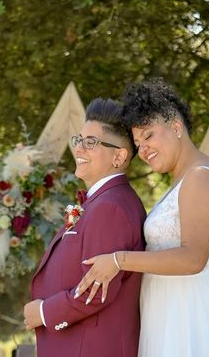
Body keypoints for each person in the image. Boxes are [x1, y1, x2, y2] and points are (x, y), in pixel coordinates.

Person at [74, 79, 209, 356]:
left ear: (176, 127)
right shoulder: (184, 178)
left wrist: (118, 261)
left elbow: (193, 258)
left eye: (149, 136)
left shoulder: (200, 177)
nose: (143, 150)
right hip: (172, 313)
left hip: (192, 318)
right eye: (137, 142)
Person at [24, 98, 146, 357]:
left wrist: (44, 313)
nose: (79, 148)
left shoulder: (111, 208)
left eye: (90, 142)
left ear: (119, 156)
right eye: (78, 140)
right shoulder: (101, 202)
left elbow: (97, 291)